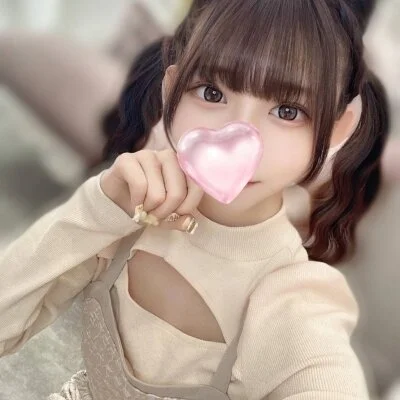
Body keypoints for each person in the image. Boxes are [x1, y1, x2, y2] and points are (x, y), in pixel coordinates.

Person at [0, 1, 391, 399]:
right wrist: (99, 205)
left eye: (287, 111)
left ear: (338, 129)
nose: (238, 134)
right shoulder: (129, 209)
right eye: (212, 92)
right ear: (171, 91)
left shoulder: (294, 299)